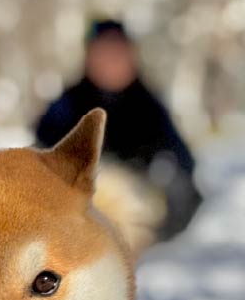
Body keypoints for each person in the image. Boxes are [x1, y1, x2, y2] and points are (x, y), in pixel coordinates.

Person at [36, 19, 204, 241]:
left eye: (118, 53)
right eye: (103, 53)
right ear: (89, 57)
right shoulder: (66, 106)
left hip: (138, 228)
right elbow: (38, 161)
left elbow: (183, 170)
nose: (111, 62)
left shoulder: (150, 109)